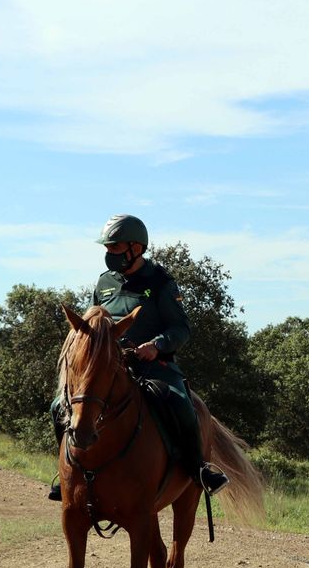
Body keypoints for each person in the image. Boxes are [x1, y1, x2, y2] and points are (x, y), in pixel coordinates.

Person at [48, 214, 227, 500]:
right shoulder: (104, 282)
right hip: (107, 365)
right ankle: (68, 472)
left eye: (115, 247)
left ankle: (199, 469)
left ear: (136, 247)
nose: (109, 253)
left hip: (151, 364)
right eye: (107, 248)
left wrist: (156, 345)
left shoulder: (160, 281)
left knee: (180, 402)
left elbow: (181, 328)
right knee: (59, 406)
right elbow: (94, 323)